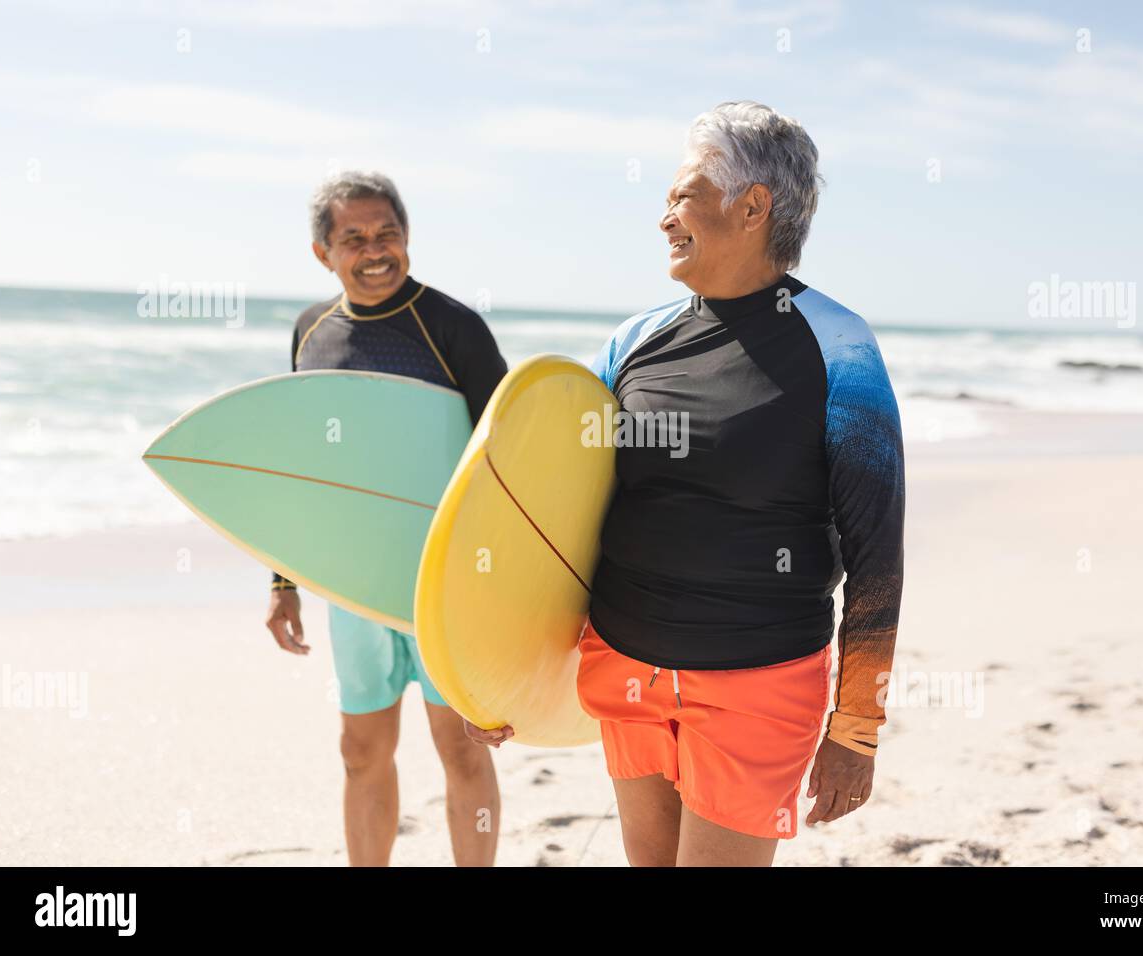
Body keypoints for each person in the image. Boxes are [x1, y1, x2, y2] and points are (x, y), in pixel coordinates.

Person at [470, 101, 905, 867]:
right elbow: (559, 515)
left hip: (757, 682)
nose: (663, 215)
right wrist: (500, 670)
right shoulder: (634, 341)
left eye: (682, 194)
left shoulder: (840, 349)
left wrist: (856, 728)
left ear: (752, 206)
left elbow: (876, 554)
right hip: (626, 665)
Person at [265, 171, 508, 866]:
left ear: (407, 237)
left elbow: (508, 454)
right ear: (323, 252)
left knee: (461, 749)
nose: (375, 251)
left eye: (388, 234)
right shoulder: (310, 331)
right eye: (354, 238)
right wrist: (283, 581)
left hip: (447, 582)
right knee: (359, 749)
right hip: (353, 583)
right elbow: (299, 465)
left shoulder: (453, 326)